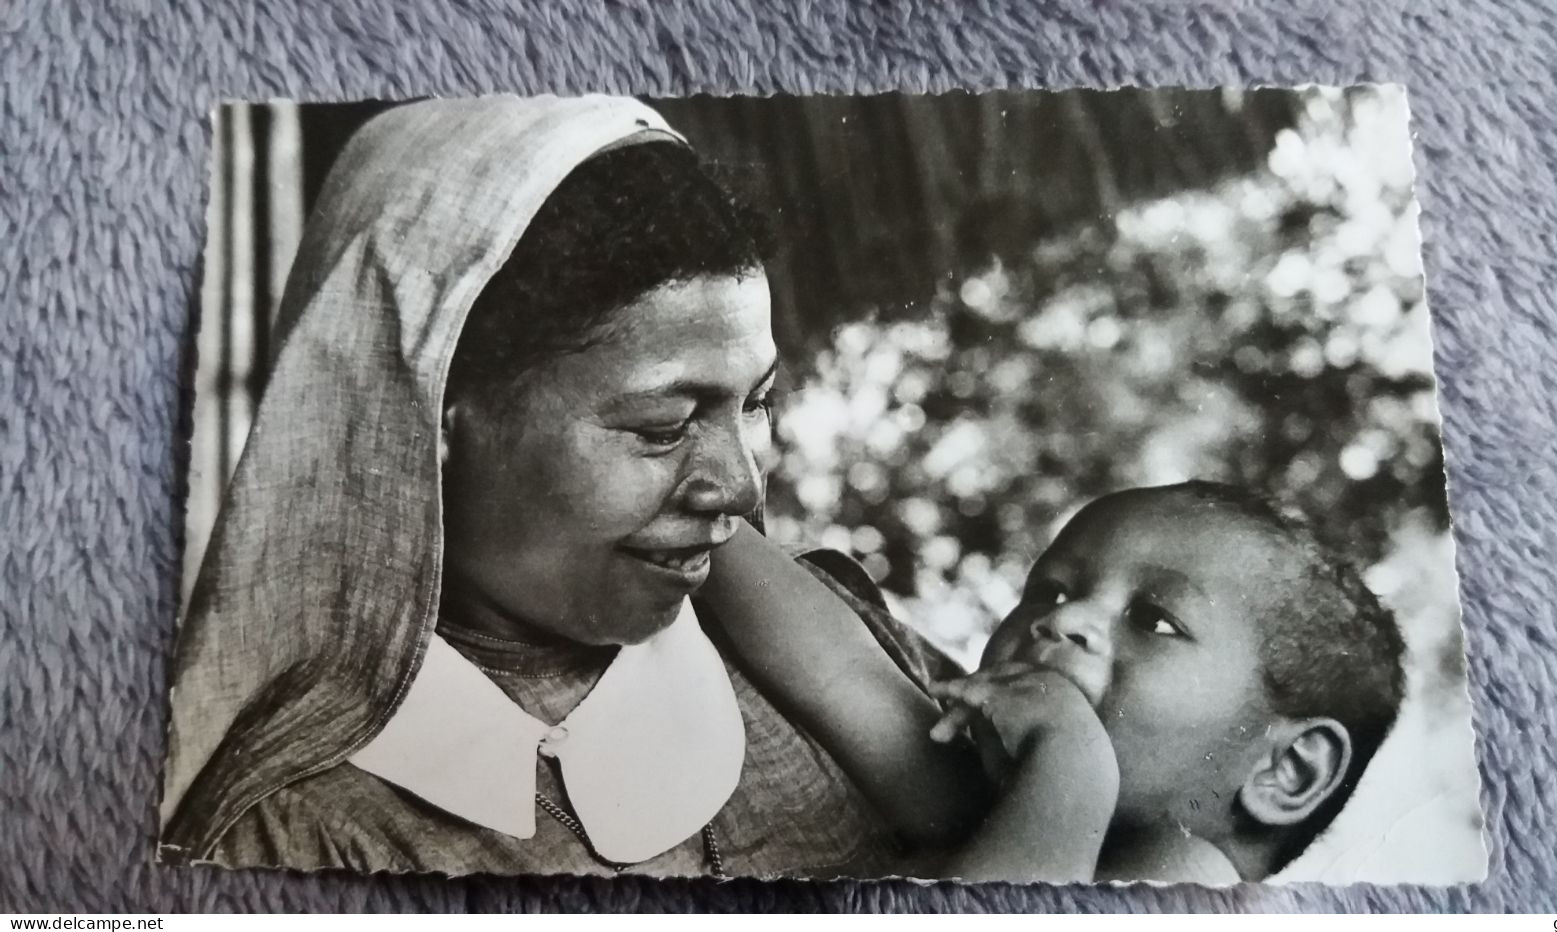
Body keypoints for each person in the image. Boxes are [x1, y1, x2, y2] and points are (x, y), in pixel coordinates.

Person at [158, 94, 988, 878]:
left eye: (758, 402)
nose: (739, 487)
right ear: (434, 414)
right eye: (662, 427)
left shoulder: (835, 652)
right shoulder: (295, 837)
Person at [700, 480, 1408, 883]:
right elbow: (840, 668)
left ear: (1286, 769)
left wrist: (1071, 762)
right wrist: (703, 516)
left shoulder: (1194, 882)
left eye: (1154, 619)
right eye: (1049, 590)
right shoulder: (987, 799)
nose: (1064, 621)